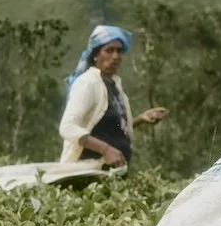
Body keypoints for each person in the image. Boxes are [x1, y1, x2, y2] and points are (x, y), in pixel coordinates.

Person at [58, 25, 168, 167]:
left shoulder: (114, 84)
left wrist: (141, 119)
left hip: (113, 172)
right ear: (96, 54)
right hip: (87, 172)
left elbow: (111, 130)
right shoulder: (88, 83)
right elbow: (67, 127)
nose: (115, 56)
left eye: (119, 51)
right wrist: (105, 149)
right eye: (109, 51)